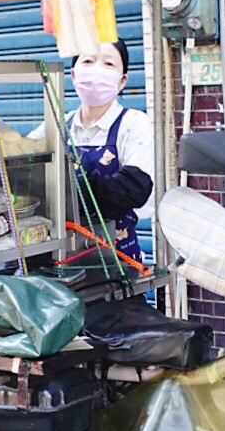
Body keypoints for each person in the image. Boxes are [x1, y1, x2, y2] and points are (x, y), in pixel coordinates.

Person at [30, 40, 154, 265]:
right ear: (74, 74)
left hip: (116, 259)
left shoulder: (134, 123)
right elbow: (24, 166)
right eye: (88, 61)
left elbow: (133, 188)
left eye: (108, 63)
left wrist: (64, 192)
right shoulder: (58, 123)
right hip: (61, 256)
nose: (97, 70)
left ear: (122, 80)